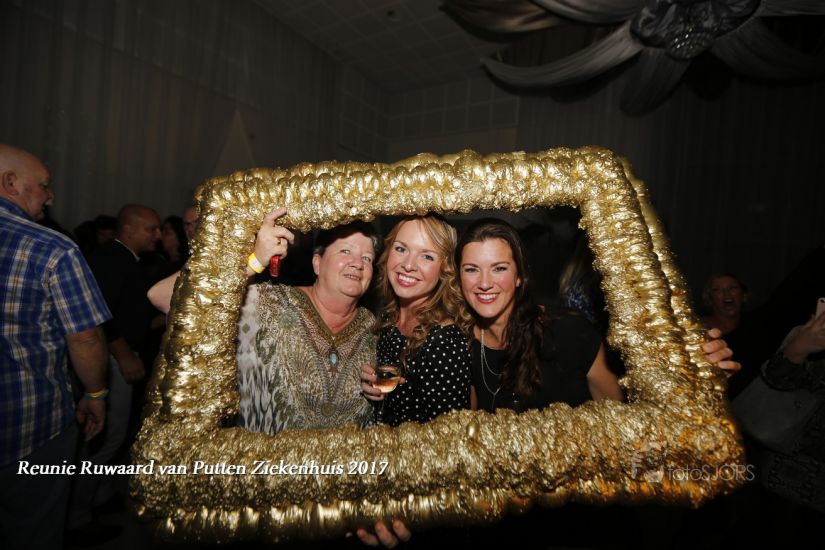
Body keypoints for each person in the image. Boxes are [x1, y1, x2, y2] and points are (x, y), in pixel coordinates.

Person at [0, 144, 111, 549]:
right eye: (44, 185)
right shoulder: (51, 247)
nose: (50, 196)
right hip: (30, 426)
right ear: (10, 182)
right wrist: (95, 394)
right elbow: (85, 336)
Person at [360, 215, 473, 426]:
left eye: (427, 256)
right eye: (401, 249)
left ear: (445, 269)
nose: (408, 265)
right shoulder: (389, 317)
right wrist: (373, 384)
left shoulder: (444, 342)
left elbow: (446, 436)